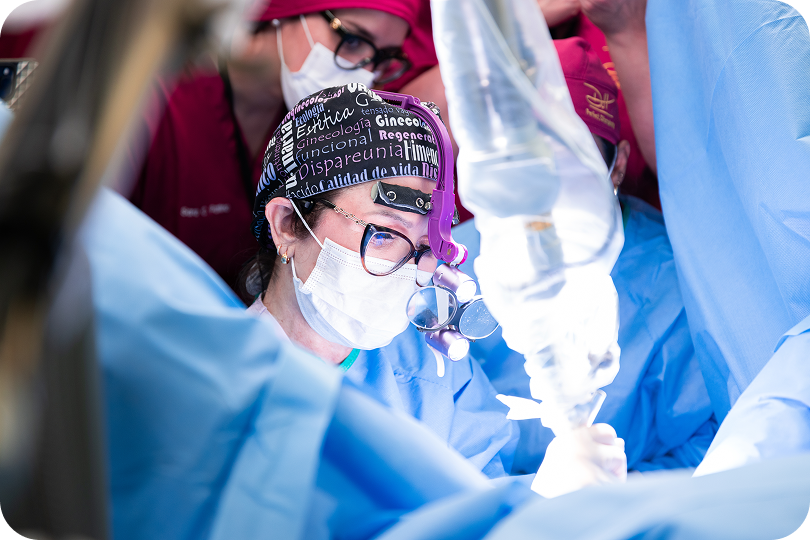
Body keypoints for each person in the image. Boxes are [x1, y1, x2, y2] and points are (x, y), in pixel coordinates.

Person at [242, 82, 627, 485]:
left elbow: (487, 499)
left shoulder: (431, 375)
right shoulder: (221, 382)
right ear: (287, 224)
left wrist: (548, 497)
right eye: (384, 234)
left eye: (426, 247)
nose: (406, 268)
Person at [453, 36, 716, 474]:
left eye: (571, 165)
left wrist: (609, 493)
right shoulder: (450, 262)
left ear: (617, 166)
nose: (545, 191)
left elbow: (709, 448)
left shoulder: (675, 286)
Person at [128, 0, 420, 291]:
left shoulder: (322, 138)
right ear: (288, 9)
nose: (365, 75)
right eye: (353, 40)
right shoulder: (155, 105)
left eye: (383, 61)